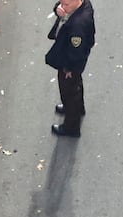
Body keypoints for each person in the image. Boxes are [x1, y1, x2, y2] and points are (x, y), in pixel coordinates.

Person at [44, 0, 94, 138]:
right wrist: (58, 10)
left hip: (71, 66)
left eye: (66, 5)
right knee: (76, 86)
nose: (63, 7)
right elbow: (60, 7)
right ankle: (78, 109)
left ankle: (71, 127)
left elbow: (76, 52)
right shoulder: (82, 5)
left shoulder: (78, 24)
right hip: (73, 62)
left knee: (69, 93)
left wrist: (68, 69)